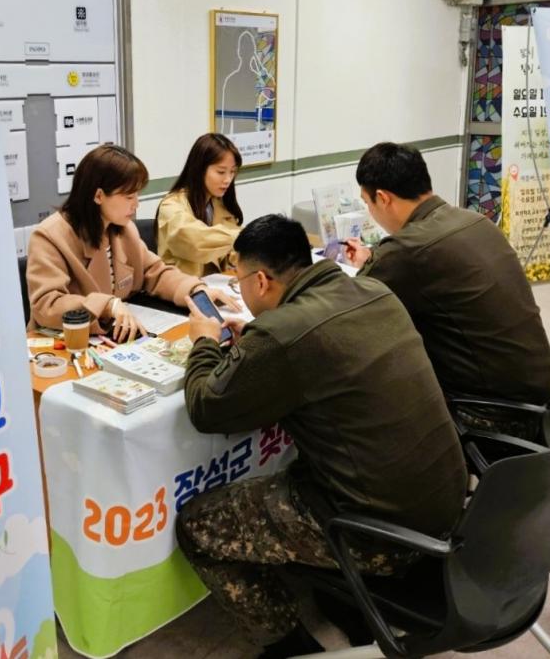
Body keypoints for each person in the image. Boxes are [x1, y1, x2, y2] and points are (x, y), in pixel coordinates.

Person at [177, 214, 468, 658]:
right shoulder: (375, 290)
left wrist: (203, 342)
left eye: (240, 280)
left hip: (380, 533)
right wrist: (254, 346)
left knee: (196, 526)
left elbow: (205, 406)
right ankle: (349, 599)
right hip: (447, 504)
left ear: (260, 281)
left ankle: (286, 643)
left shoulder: (280, 334)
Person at [344, 142, 550, 440]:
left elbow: (348, 309)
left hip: (491, 416)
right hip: (543, 399)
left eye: (367, 203)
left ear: (383, 198)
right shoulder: (476, 221)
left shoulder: (407, 249)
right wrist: (374, 258)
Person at [27, 145, 237, 341]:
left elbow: (155, 272)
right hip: (66, 342)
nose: (136, 204)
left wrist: (195, 291)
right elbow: (46, 305)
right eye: (129, 197)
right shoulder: (50, 236)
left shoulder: (123, 229)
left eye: (137, 195)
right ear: (99, 195)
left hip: (114, 337)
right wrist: (107, 305)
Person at [156, 133, 244, 277]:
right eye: (221, 172)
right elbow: (195, 242)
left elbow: (231, 252)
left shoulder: (219, 205)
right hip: (181, 286)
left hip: (215, 284)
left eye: (232, 172)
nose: (228, 179)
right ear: (199, 169)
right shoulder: (171, 206)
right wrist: (244, 236)